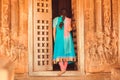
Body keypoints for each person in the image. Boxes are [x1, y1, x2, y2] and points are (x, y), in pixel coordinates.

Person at [52, 8, 76, 76]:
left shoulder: (55, 19)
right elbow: (70, 29)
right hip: (67, 39)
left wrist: (55, 40)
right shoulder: (68, 19)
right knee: (66, 54)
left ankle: (62, 69)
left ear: (60, 13)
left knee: (58, 54)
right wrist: (71, 27)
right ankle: (64, 69)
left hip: (59, 39)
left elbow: (54, 31)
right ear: (66, 13)